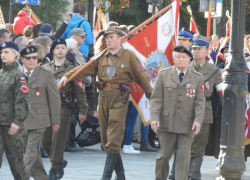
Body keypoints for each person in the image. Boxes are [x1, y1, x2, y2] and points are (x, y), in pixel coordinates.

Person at [58, 27, 152, 180]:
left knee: (114, 137)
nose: (108, 40)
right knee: (106, 139)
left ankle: (106, 176)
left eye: (112, 37)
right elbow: (84, 69)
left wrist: (151, 96)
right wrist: (67, 76)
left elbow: (141, 78)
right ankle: (120, 174)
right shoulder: (101, 56)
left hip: (119, 98)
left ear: (120, 38)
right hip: (103, 98)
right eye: (106, 38)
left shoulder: (128, 56)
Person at [150, 46, 205, 180]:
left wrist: (198, 120)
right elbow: (156, 98)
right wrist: (154, 118)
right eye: (178, 57)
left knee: (183, 157)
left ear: (189, 59)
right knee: (164, 156)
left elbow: (199, 102)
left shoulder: (197, 77)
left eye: (184, 57)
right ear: (173, 59)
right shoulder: (164, 74)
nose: (181, 60)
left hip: (187, 124)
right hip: (166, 123)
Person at [43, 38, 87, 180]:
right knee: (45, 140)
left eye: (63, 47)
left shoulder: (71, 69)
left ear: (66, 51)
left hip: (63, 107)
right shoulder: (45, 68)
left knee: (58, 139)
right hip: (47, 107)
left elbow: (80, 91)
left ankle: (54, 168)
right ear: (53, 51)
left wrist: (82, 110)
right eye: (57, 48)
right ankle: (59, 162)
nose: (60, 50)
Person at [20, 45, 61, 180]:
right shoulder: (17, 74)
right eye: (28, 58)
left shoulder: (46, 73)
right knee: (34, 155)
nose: (32, 60)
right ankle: (42, 178)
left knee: (30, 152)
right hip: (22, 121)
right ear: (22, 59)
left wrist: (55, 121)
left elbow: (54, 99)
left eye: (34, 58)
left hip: (40, 120)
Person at [187, 35, 222, 180]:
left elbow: (222, 94)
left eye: (199, 49)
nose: (195, 51)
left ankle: (193, 175)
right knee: (183, 146)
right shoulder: (183, 67)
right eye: (193, 49)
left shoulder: (214, 71)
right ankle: (181, 172)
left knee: (198, 147)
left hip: (204, 112)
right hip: (184, 110)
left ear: (207, 51)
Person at [0, 41, 29, 180]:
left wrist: (17, 122)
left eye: (6, 52)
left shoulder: (19, 75)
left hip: (12, 126)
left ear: (15, 53)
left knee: (16, 164)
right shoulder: (0, 73)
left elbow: (22, 101)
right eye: (1, 52)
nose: (3, 55)